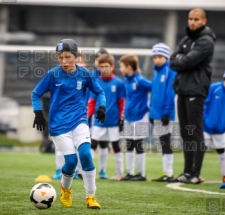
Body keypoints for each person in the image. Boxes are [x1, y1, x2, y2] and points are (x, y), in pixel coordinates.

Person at [31, 39, 106, 209]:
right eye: (60, 57)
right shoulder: (52, 74)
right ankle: (65, 188)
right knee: (71, 162)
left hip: (79, 120)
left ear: (76, 56)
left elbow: (100, 91)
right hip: (58, 125)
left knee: (86, 154)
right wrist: (38, 113)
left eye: (67, 57)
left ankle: (91, 197)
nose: (64, 61)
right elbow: (35, 94)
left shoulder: (85, 74)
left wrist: (102, 106)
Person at [169, 8, 216, 184]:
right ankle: (187, 172)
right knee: (186, 132)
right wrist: (182, 59)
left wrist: (183, 58)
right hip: (182, 89)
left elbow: (188, 61)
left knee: (195, 132)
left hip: (196, 90)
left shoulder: (206, 40)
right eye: (190, 19)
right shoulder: (187, 38)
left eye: (196, 19)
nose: (192, 22)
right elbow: (173, 60)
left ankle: (195, 173)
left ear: (204, 21)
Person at [88, 53, 125, 180]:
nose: (104, 69)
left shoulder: (118, 83)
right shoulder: (96, 82)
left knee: (115, 146)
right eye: (101, 66)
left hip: (113, 121)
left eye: (106, 66)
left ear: (112, 66)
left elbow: (121, 103)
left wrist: (121, 119)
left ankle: (120, 173)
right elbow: (92, 102)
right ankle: (86, 170)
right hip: (98, 121)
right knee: (93, 144)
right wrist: (88, 116)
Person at [119, 54, 152, 181]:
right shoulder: (126, 80)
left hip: (141, 116)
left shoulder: (140, 80)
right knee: (129, 144)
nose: (120, 69)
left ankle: (141, 174)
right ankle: (130, 173)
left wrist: (148, 106)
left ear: (128, 67)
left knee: (138, 144)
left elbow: (155, 89)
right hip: (128, 117)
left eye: (121, 66)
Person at [149, 43, 177, 182]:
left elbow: (170, 93)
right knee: (162, 142)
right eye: (155, 56)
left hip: (165, 114)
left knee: (166, 141)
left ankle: (169, 173)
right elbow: (154, 93)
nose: (157, 59)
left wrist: (167, 112)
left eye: (160, 56)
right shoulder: (156, 72)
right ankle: (166, 173)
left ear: (166, 57)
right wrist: (151, 113)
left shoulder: (170, 71)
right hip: (157, 113)